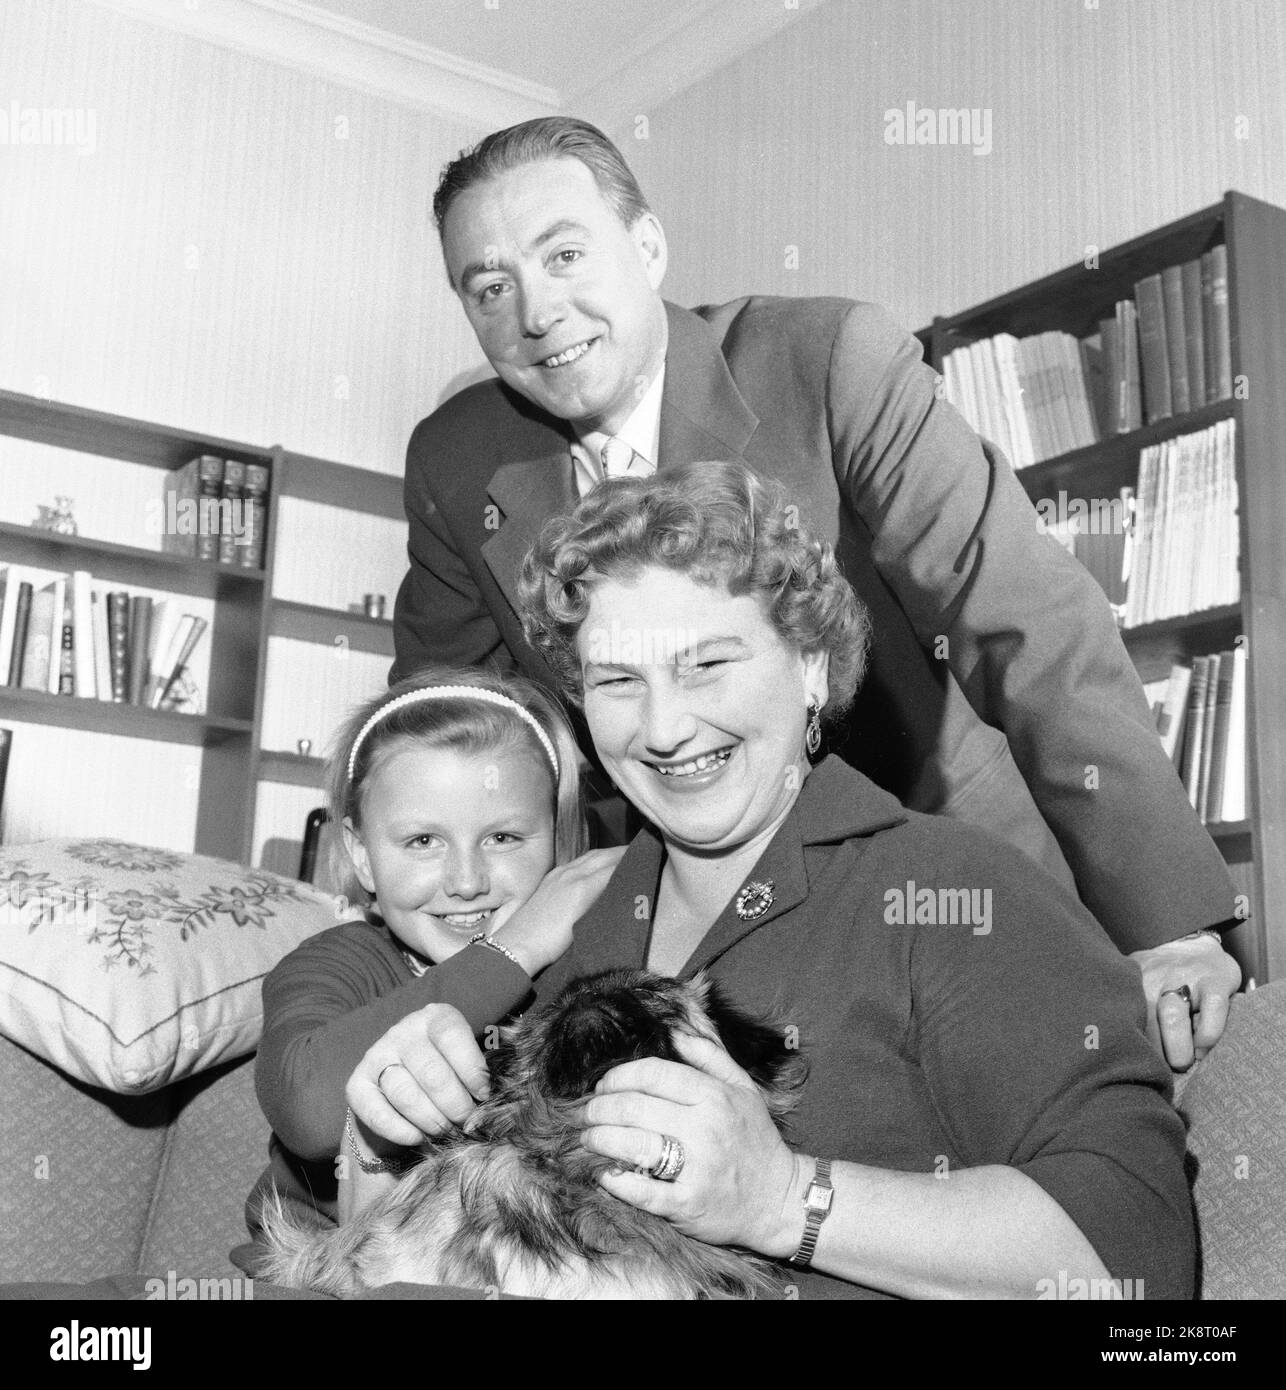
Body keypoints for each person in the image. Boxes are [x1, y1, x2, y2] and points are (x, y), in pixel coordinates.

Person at [389, 116, 1240, 1068]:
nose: (536, 313)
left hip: (938, 862)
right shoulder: (456, 460)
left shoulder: (831, 359)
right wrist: (453, 951)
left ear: (649, 247)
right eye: (490, 287)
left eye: (566, 254)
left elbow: (1027, 622)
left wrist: (1166, 923)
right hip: (687, 927)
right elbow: (443, 731)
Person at [356, 461, 1194, 1300]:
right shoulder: (561, 921)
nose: (665, 727)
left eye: (707, 664)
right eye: (618, 681)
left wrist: (783, 1199)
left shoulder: (953, 891)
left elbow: (1135, 1263)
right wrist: (387, 1123)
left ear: (812, 669)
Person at [239, 667, 621, 1250]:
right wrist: (513, 951)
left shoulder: (587, 972)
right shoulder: (337, 962)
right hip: (319, 1280)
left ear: (561, 844)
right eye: (423, 841)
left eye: (504, 838)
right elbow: (309, 1111)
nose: (466, 881)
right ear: (361, 856)